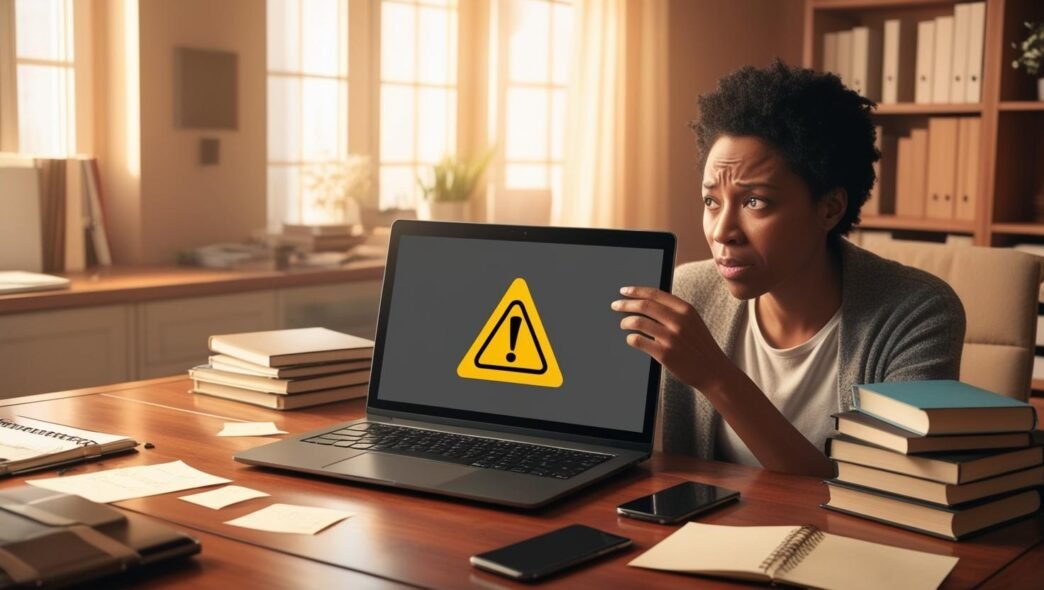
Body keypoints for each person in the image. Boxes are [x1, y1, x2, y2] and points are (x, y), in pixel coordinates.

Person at [611, 61, 965, 477]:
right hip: (704, 534)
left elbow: (890, 496)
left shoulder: (915, 314)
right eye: (711, 201)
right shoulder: (686, 293)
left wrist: (716, 377)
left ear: (829, 208)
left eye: (754, 202)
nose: (723, 231)